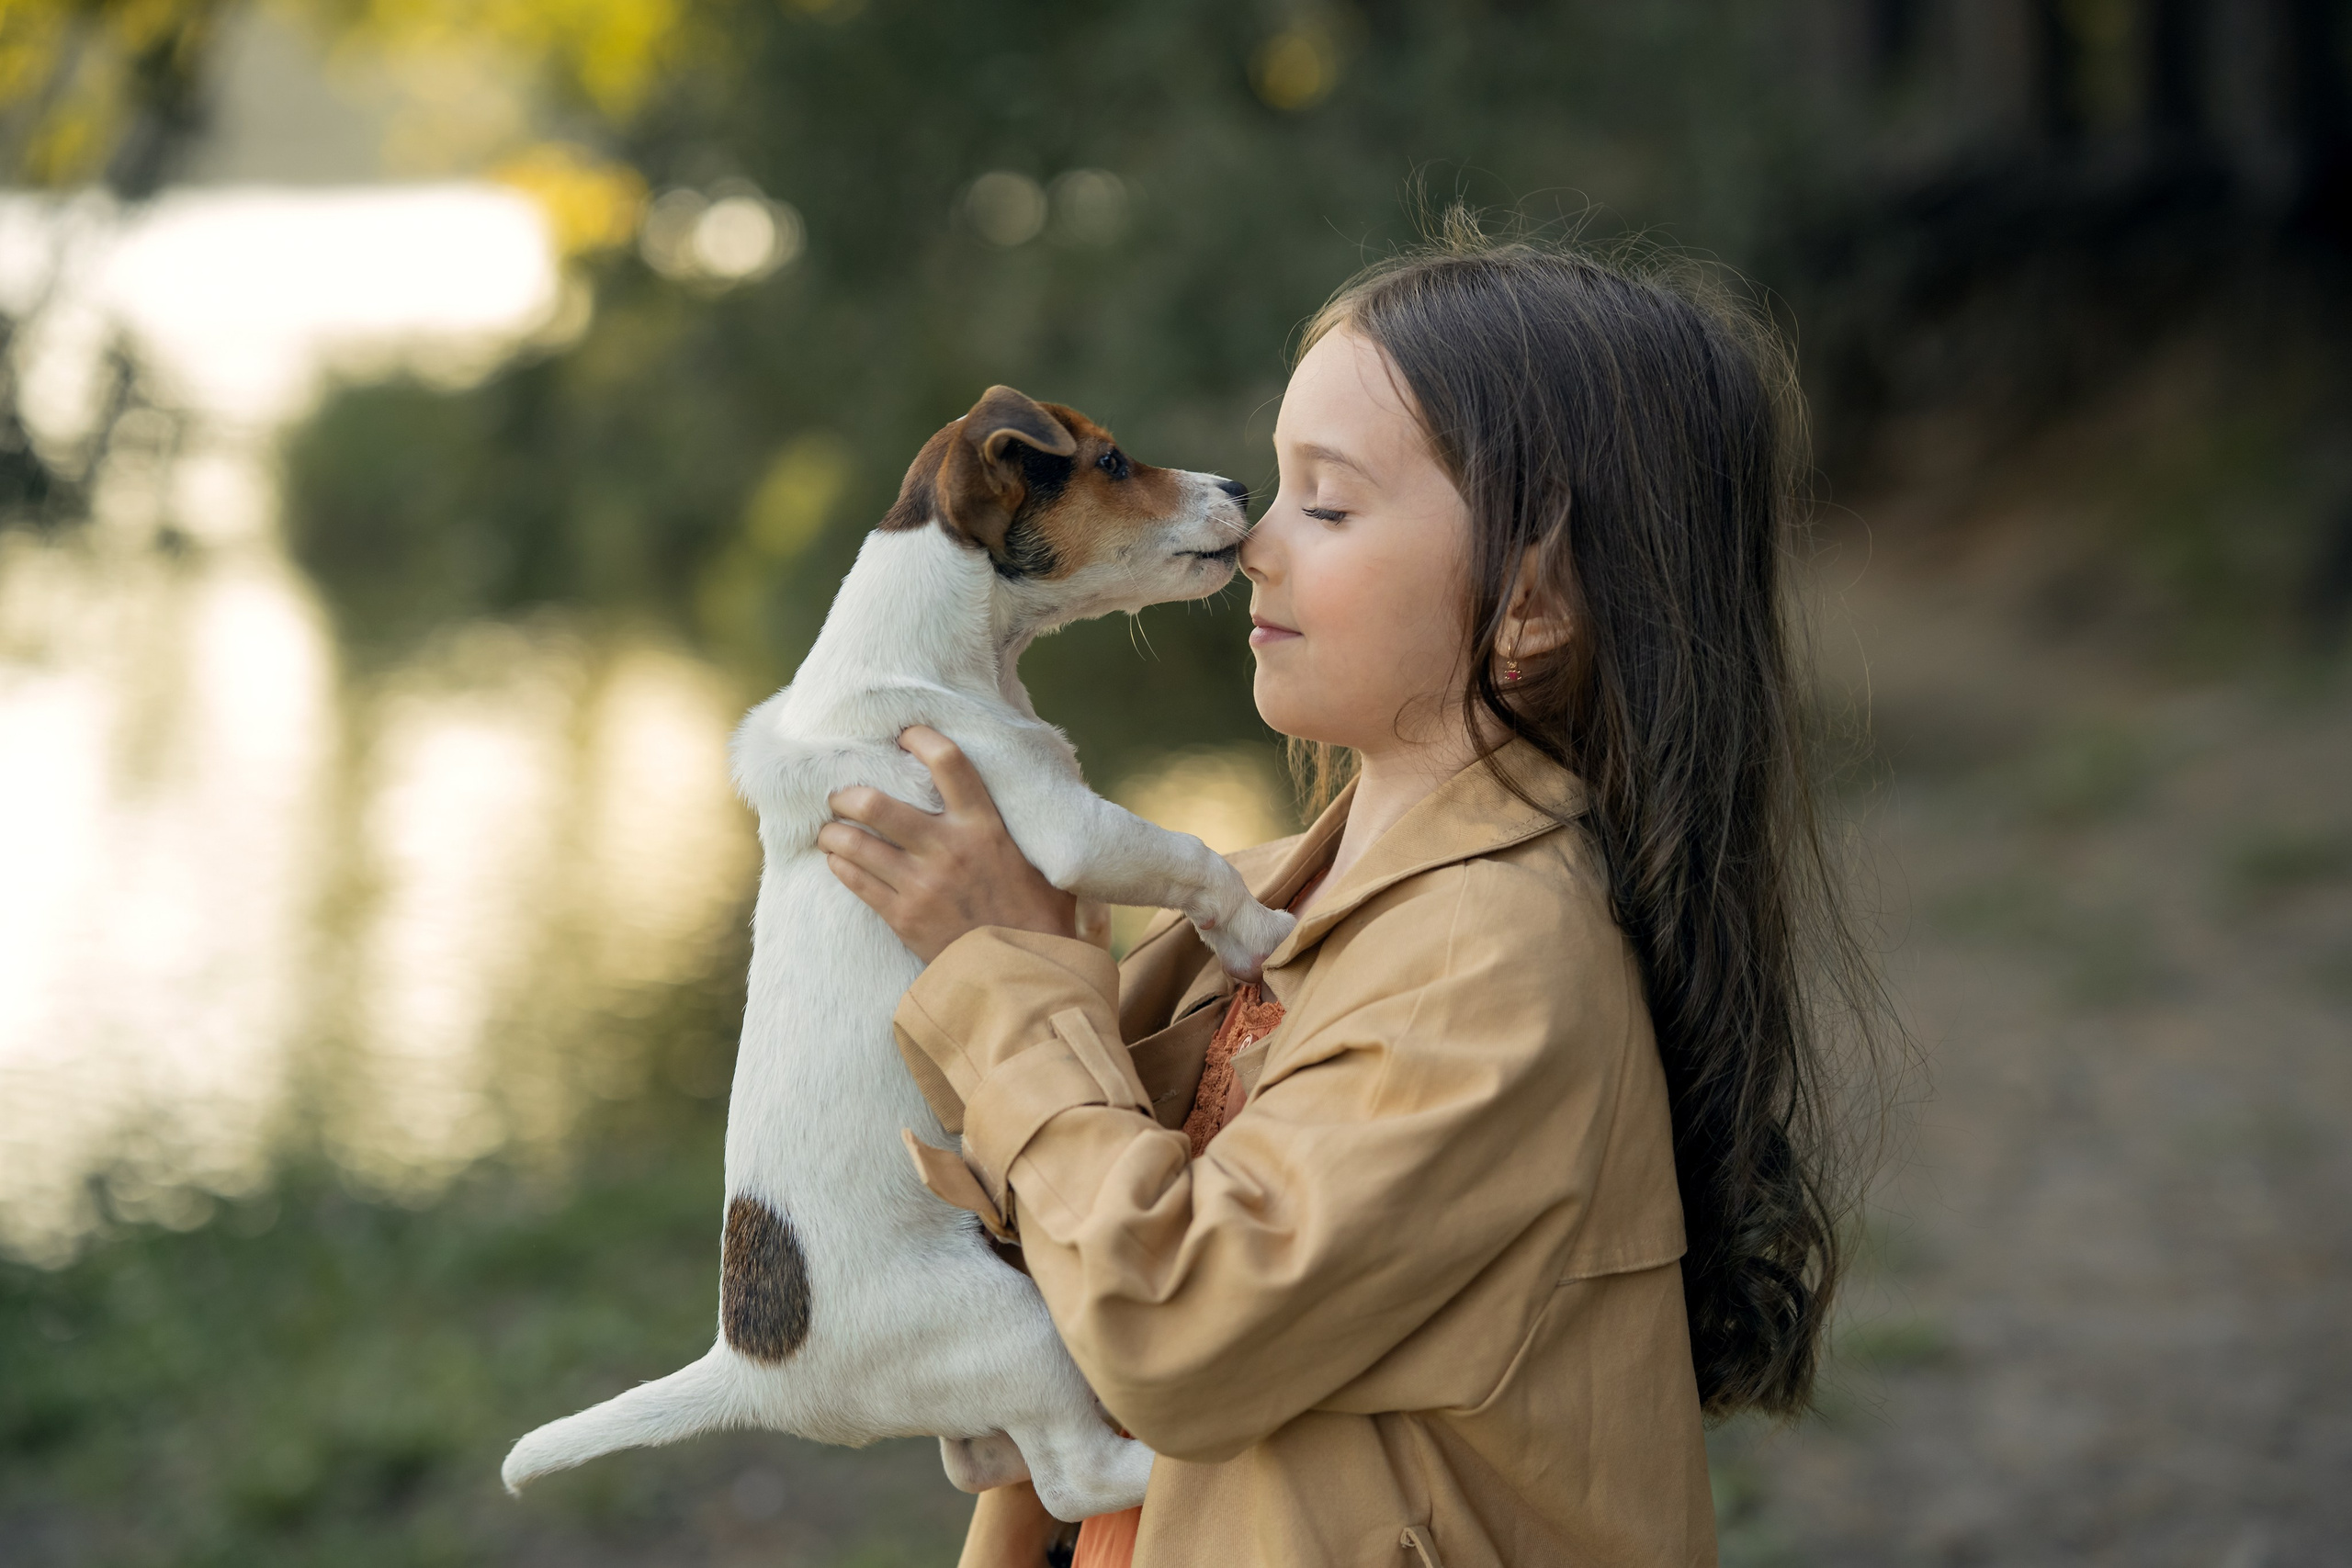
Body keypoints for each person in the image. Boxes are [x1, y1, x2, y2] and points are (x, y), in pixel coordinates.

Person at [815, 227, 1883, 1568]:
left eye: (1325, 504)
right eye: (1276, 488)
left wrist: (1008, 980)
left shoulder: (1488, 960)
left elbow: (1174, 1328)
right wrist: (1044, 955)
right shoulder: (1262, 898)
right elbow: (1071, 1269)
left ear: (1534, 602)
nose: (1255, 538)